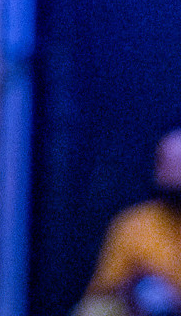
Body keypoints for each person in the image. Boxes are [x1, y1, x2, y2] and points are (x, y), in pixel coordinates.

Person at [74, 129, 181, 316]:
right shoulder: (134, 224)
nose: (173, 174)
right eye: (168, 163)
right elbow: (104, 290)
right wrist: (133, 285)